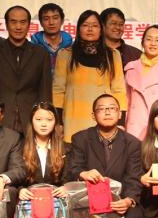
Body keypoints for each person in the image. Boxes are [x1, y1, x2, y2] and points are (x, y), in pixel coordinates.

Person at [65, 94, 143, 218]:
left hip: (118, 200)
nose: (107, 112)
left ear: (120, 114)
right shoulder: (80, 138)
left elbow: (134, 177)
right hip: (89, 200)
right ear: (93, 115)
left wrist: (128, 200)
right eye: (102, 109)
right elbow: (73, 168)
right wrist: (83, 174)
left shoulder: (133, 143)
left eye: (112, 108)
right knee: (73, 217)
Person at [52, 10, 127, 144]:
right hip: (73, 120)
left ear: (101, 29)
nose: (90, 29)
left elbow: (119, 90)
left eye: (95, 25)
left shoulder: (113, 55)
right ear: (78, 29)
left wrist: (120, 121)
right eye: (85, 25)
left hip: (104, 118)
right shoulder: (65, 54)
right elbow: (58, 90)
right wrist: (58, 122)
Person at [0, 5, 52, 135]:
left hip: (32, 121)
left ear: (29, 25)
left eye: (23, 22)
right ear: (6, 24)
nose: (18, 27)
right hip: (2, 120)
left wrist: (45, 119)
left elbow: (45, 92)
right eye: (13, 22)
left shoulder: (41, 53)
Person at [19, 102, 68, 189]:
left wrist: (65, 188)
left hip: (56, 195)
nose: (44, 124)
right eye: (39, 119)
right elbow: (16, 176)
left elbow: (68, 177)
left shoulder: (66, 148)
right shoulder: (20, 147)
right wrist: (21, 190)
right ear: (31, 121)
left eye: (49, 120)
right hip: (29, 195)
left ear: (55, 122)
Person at [30, 2, 72, 74]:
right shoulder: (32, 48)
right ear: (41, 22)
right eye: (46, 19)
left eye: (55, 18)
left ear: (62, 21)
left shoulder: (71, 46)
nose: (51, 22)